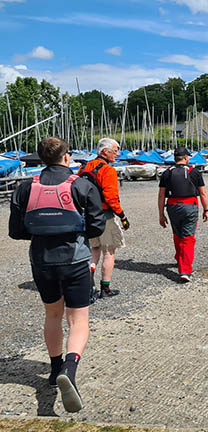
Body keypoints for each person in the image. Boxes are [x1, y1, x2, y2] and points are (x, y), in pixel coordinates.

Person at [9, 137, 106, 413]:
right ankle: (70, 371)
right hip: (75, 260)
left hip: (42, 261)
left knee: (52, 314)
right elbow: (97, 227)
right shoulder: (82, 185)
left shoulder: (26, 188)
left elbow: (16, 231)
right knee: (78, 319)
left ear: (41, 159)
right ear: (66, 157)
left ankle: (54, 371)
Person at [78, 138, 129, 301]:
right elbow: (111, 198)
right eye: (115, 150)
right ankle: (105, 288)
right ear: (104, 151)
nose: (118, 153)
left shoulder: (83, 167)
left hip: (88, 216)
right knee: (109, 251)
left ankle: (88, 283)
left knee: (94, 249)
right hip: (105, 216)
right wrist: (123, 216)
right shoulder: (107, 170)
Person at [158, 146, 208, 282]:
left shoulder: (167, 173)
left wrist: (161, 214)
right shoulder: (195, 172)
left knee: (177, 234)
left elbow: (161, 195)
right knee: (188, 237)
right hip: (189, 206)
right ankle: (185, 270)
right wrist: (206, 209)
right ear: (186, 158)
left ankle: (179, 258)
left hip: (173, 206)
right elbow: (202, 193)